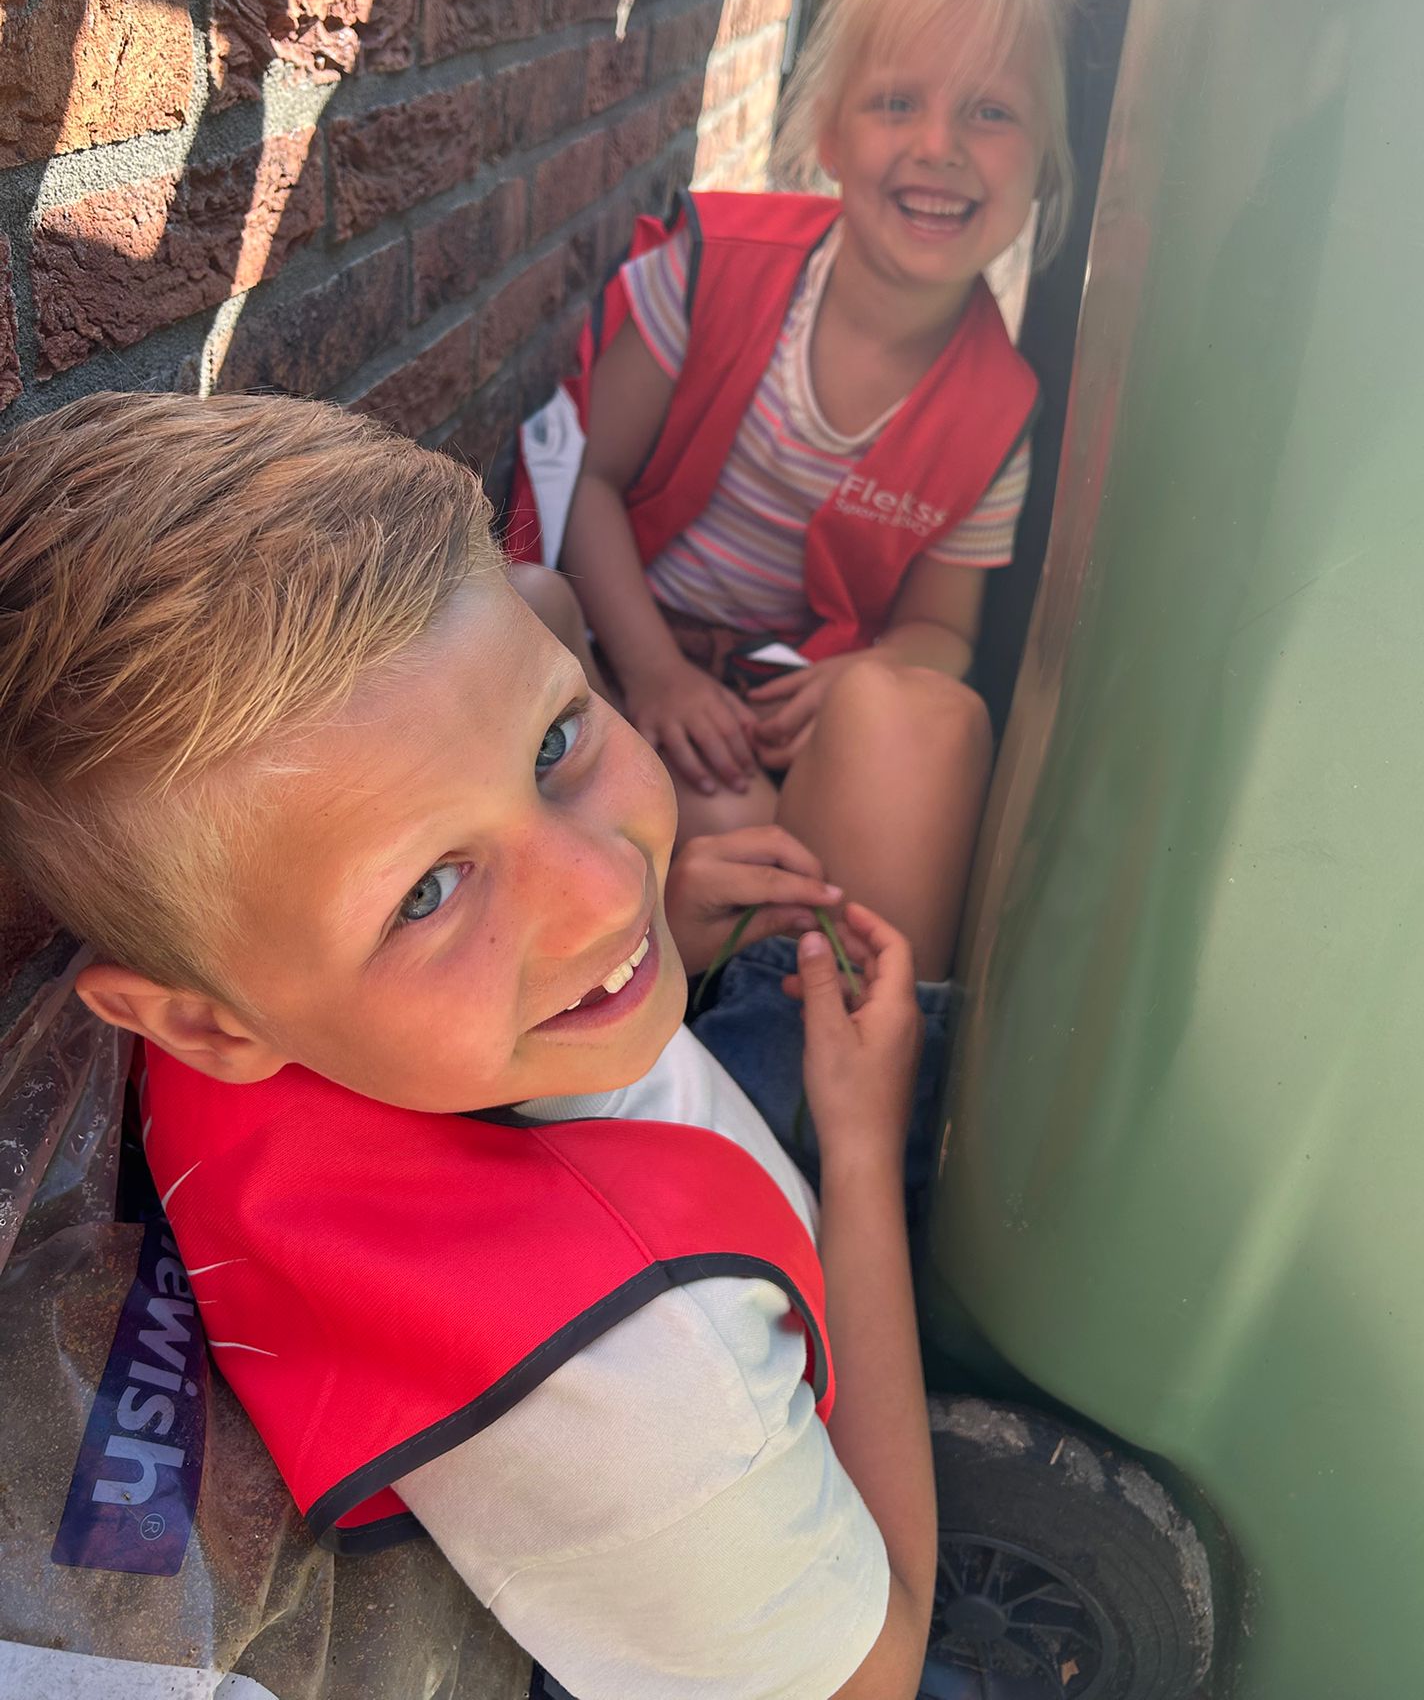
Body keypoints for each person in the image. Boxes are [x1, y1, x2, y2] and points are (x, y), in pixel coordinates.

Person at [0, 390, 938, 1700]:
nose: (605, 892)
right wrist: (864, 1146)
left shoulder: (268, 974)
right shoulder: (653, 1407)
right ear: (202, 1024)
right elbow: (878, 1669)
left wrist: (660, 934)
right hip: (747, 1305)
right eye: (428, 893)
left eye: (554, 743)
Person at [560, 0, 1072, 955]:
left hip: (762, 708)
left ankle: (774, 1004)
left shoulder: (997, 412)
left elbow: (941, 633)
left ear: (1043, 173)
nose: (939, 146)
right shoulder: (711, 267)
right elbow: (583, 478)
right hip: (615, 641)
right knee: (712, 813)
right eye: (898, 103)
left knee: (762, 825)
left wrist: (858, 674)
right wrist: (652, 672)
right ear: (831, 134)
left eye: (990, 112)